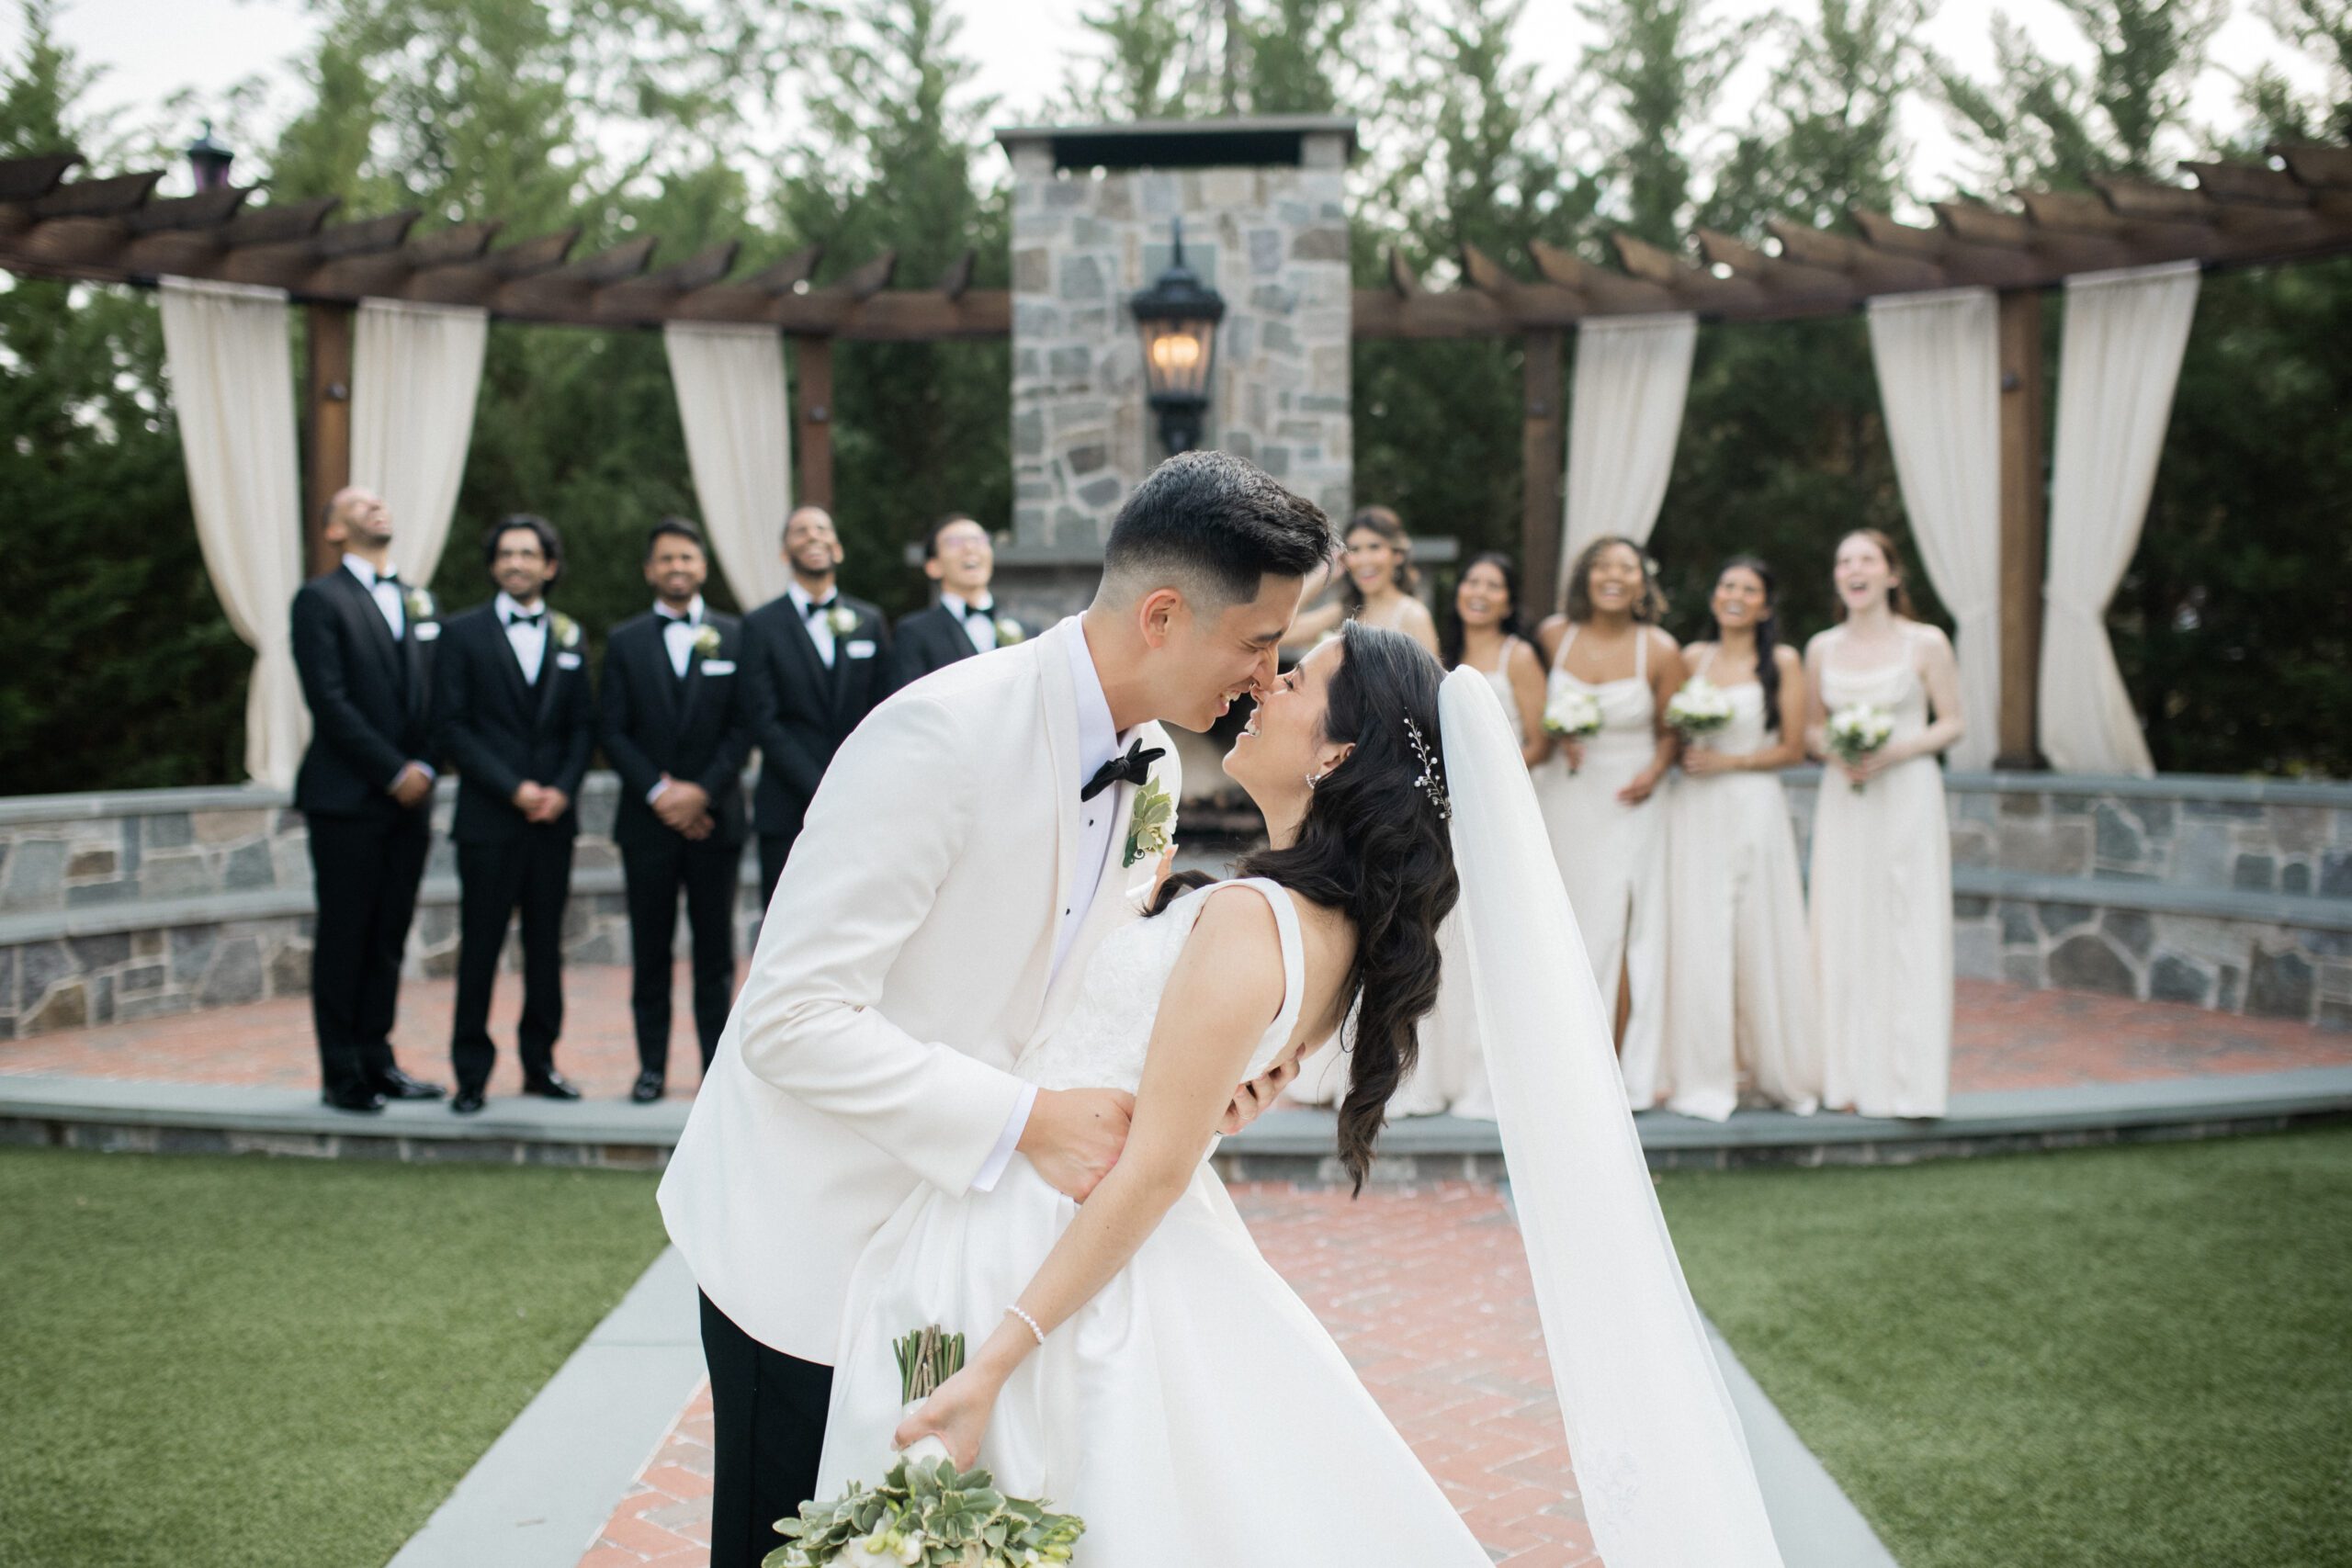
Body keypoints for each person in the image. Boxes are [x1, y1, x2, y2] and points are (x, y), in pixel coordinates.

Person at [815, 625, 1789, 1568]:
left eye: (1297, 681)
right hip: (1052, 1209)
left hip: (1046, 1244)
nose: (1265, 685)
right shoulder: (1321, 927)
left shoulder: (1252, 919)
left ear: (1335, 752)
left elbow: (1153, 1170)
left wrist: (995, 1362)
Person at [657, 451, 1337, 1567]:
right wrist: (1026, 1117)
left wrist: (1217, 1071)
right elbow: (788, 1019)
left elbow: (1082, 976)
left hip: (952, 1255)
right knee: (783, 1548)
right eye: (1257, 644)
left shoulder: (1152, 758)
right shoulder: (939, 734)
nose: (1267, 680)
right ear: (1163, 615)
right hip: (809, 1237)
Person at [1294, 549, 1545, 1119]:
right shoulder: (1385, 632)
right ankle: (1366, 1065)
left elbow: (1426, 722)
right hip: (1385, 798)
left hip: (1435, 804)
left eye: (1491, 583)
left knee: (1433, 933)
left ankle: (1432, 1071)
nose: (1477, 592)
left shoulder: (1424, 624)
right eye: (1471, 582)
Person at [288, 487, 447, 1112]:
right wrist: (392, 770)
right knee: (346, 932)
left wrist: (428, 765)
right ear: (332, 530)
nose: (375, 506)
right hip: (348, 796)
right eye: (357, 503)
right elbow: (328, 700)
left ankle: (379, 1059)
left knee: (389, 933)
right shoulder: (318, 600)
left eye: (381, 500)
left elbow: (438, 695)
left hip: (414, 799)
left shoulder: (419, 597)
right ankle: (341, 1071)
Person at [433, 514, 596, 1115]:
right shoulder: (461, 633)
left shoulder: (570, 634)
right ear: (494, 564)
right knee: (480, 945)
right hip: (489, 819)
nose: (517, 563)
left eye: (528, 553)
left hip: (553, 819)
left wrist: (560, 790)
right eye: (506, 553)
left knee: (545, 947)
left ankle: (540, 1064)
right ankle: (471, 1072)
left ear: (549, 566)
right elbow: (452, 726)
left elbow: (583, 725)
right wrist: (514, 789)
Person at [1804, 528, 1964, 1119]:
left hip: (1907, 791)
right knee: (1844, 921)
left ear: (1892, 575)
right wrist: (1837, 751)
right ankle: (1842, 1076)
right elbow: (1810, 729)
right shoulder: (1821, 647)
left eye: (1867, 559)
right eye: (1844, 560)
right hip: (1846, 794)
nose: (1855, 569)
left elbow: (1953, 723)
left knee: (1907, 922)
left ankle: (1908, 1082)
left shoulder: (1926, 643)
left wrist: (1896, 750)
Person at [1659, 556, 1819, 1121]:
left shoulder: (1782, 661)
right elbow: (1668, 730)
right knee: (1700, 934)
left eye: (1749, 589)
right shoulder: (1691, 657)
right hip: (1695, 810)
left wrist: (1729, 761)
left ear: (1765, 606)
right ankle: (1705, 1075)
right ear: (1714, 596)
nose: (1735, 595)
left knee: (1756, 928)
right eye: (1728, 584)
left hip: (1752, 804)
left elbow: (1794, 748)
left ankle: (1774, 1068)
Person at [599, 518, 753, 1103]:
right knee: (651, 951)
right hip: (648, 824)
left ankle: (716, 1074)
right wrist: (661, 795)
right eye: (666, 559)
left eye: (686, 558)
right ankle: (650, 1069)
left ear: (702, 567)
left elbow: (744, 726)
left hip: (715, 822)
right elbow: (611, 728)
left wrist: (701, 793)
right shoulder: (625, 640)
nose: (677, 568)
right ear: (649, 570)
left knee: (715, 955)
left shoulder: (735, 637)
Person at [1533, 536, 1684, 1107]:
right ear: (1585, 577)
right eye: (1603, 566)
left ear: (1643, 582)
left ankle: (1619, 1064)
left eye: (1627, 568)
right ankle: (1559, 1058)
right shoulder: (1553, 636)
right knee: (1565, 917)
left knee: (1621, 927)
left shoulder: (1661, 649)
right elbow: (1533, 708)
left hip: (1631, 799)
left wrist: (1657, 769)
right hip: (1565, 797)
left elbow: (1673, 728)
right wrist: (1558, 733)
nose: (1614, 577)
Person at [740, 505, 893, 908]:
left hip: (860, 799)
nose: (813, 537)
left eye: (822, 528)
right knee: (787, 921)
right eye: (800, 531)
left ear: (837, 549)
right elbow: (761, 718)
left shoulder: (869, 620)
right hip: (786, 803)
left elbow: (888, 707)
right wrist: (818, 782)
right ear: (783, 553)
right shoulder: (758, 626)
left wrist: (853, 778)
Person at [1282, 503, 1442, 656]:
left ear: (1397, 555)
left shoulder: (1413, 615)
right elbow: (1281, 631)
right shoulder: (1342, 612)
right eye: (1355, 550)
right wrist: (1323, 574)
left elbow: (1432, 682)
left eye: (1374, 547)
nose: (1364, 560)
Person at [891, 513, 1028, 686]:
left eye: (979, 540)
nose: (970, 548)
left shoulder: (1028, 630)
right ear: (933, 567)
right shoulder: (913, 633)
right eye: (954, 542)